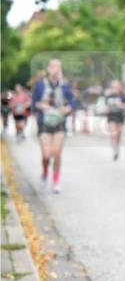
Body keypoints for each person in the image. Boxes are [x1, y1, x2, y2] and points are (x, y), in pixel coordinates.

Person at [31, 59, 78, 193]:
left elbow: (73, 100)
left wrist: (68, 108)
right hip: (44, 122)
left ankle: (56, 182)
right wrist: (41, 105)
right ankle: (45, 172)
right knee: (46, 155)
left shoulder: (64, 86)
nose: (55, 69)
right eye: (53, 66)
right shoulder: (40, 85)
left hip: (59, 122)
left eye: (58, 67)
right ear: (48, 69)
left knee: (56, 154)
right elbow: (34, 104)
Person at [105, 80, 125, 160]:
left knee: (119, 134)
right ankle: (114, 150)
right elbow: (105, 107)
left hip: (120, 117)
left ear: (119, 88)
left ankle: (117, 147)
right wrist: (106, 110)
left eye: (116, 87)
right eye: (113, 87)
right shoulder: (108, 97)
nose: (115, 89)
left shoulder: (122, 96)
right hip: (111, 117)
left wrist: (121, 105)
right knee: (113, 134)